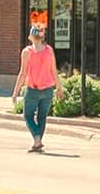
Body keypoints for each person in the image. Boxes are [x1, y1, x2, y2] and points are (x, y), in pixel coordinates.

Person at [11, 21, 64, 153]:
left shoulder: (26, 52)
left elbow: (23, 74)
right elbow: (54, 71)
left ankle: (37, 139)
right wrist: (59, 88)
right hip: (48, 90)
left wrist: (15, 92)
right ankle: (38, 142)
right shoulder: (49, 51)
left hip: (33, 89)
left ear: (31, 36)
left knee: (28, 115)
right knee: (42, 117)